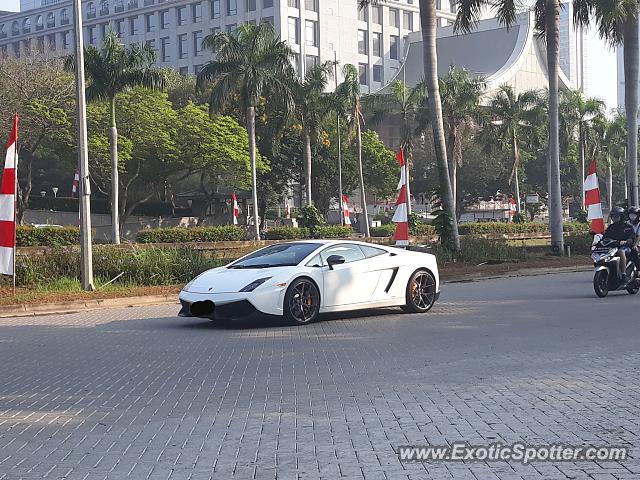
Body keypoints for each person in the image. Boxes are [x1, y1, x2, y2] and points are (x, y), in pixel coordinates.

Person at [603, 206, 635, 281]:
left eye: (616, 216)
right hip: (613, 247)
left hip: (625, 247)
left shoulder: (628, 227)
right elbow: (605, 237)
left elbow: (631, 238)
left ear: (622, 216)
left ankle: (623, 273)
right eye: (613, 216)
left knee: (621, 251)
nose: (614, 218)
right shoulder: (610, 227)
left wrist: (626, 241)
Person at [628, 206, 640, 273]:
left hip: (637, 244)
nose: (632, 217)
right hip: (628, 243)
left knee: (634, 251)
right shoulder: (627, 223)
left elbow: (638, 236)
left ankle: (638, 269)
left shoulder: (639, 224)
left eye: (634, 215)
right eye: (631, 215)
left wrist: (635, 245)